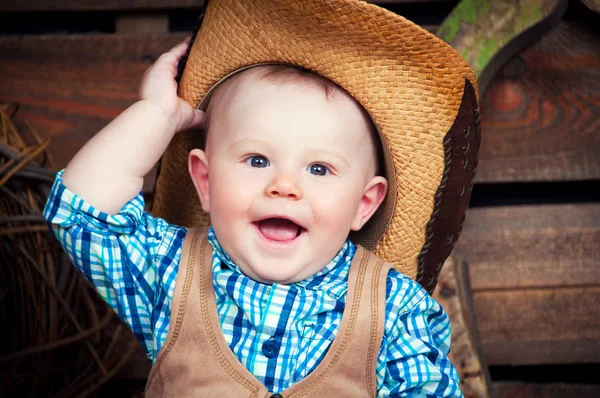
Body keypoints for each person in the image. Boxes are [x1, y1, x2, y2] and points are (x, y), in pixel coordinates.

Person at [44, 0, 480, 396]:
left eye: (318, 169)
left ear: (364, 204)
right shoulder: (170, 271)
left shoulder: (394, 313)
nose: (284, 186)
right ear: (206, 181)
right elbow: (82, 209)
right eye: (257, 160)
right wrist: (156, 114)